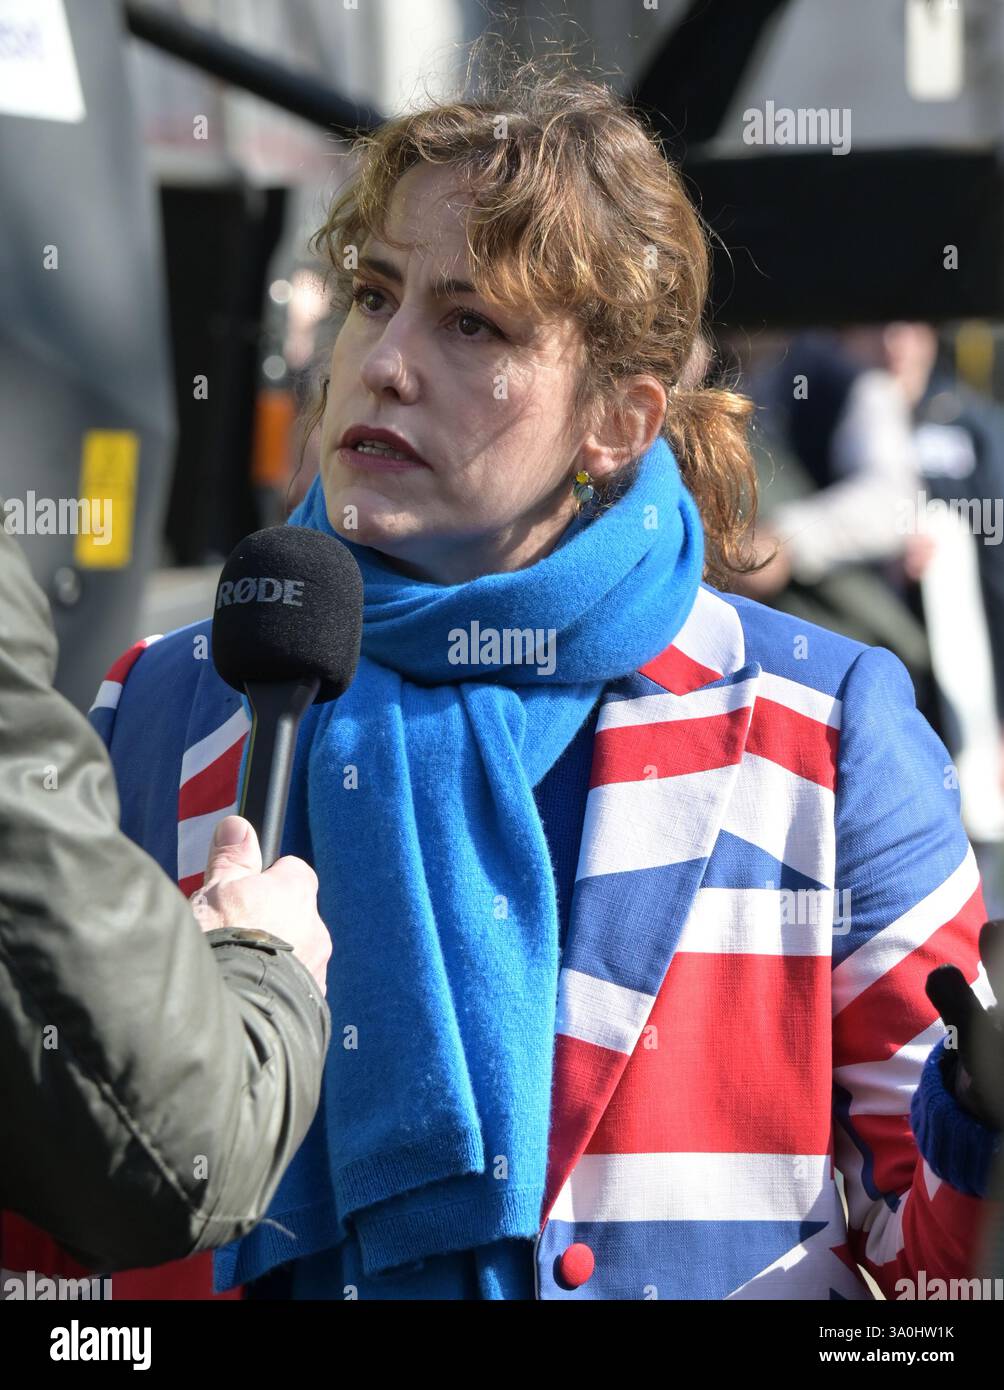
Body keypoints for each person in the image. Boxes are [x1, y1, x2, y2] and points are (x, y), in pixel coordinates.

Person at [38, 59, 1004, 1300]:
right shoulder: (164, 704)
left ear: (617, 418)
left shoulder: (819, 729)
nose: (384, 363)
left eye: (471, 323)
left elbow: (936, 1282)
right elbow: (52, 1245)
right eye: (372, 295)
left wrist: (979, 1121)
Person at [0, 523, 332, 1279]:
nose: (390, 392)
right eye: (329, 388)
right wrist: (259, 966)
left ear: (615, 426)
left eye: (475, 388)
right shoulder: (155, 687)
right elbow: (146, 1152)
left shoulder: (656, 714)